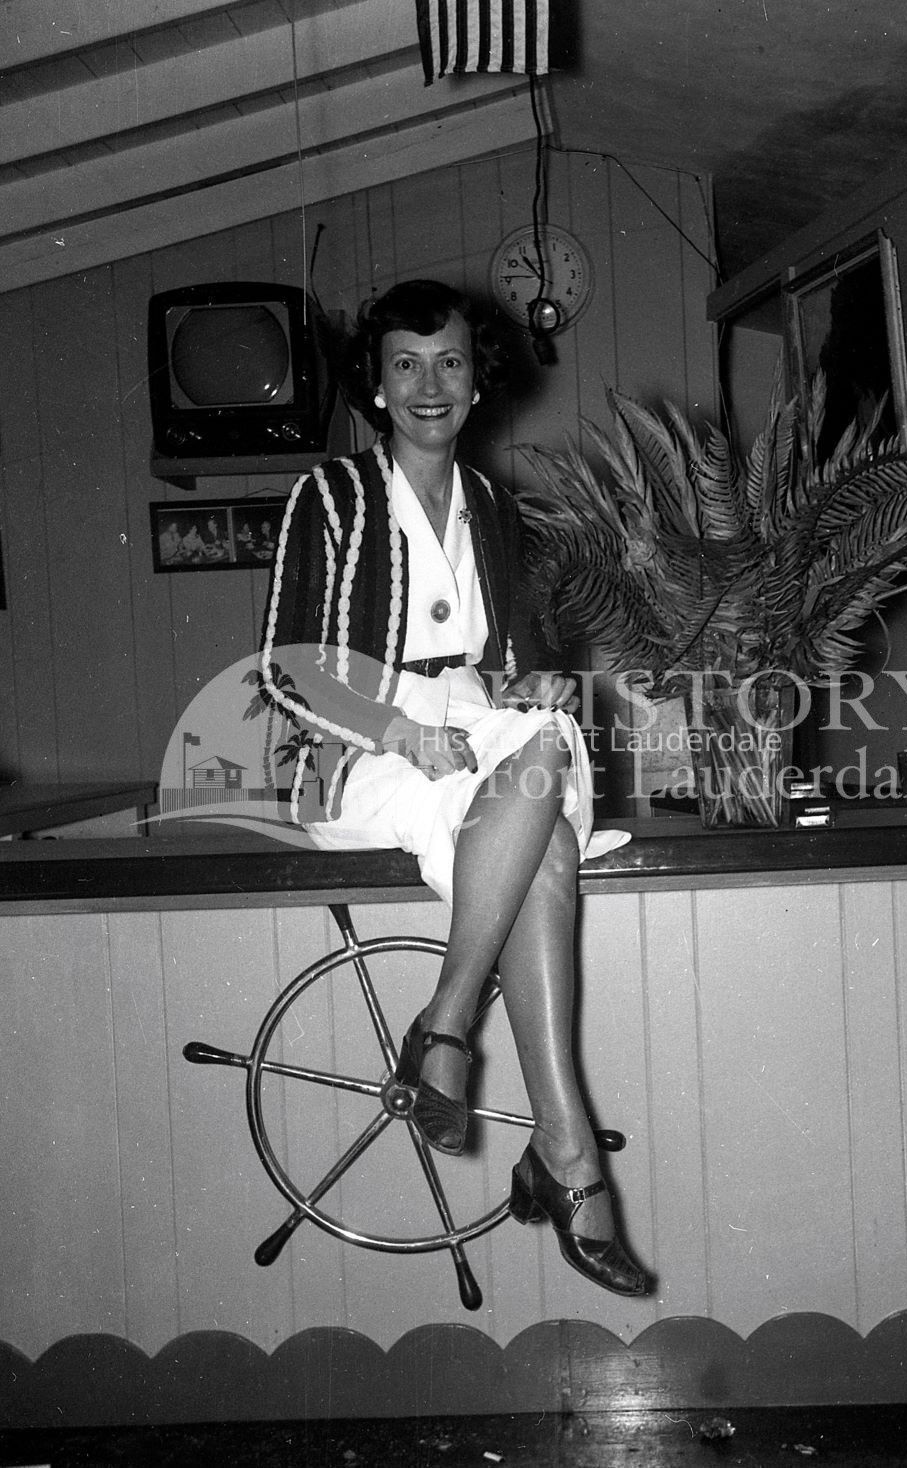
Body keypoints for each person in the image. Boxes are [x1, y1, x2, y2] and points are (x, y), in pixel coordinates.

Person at [260, 279, 648, 1297]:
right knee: (542, 825)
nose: (428, 385)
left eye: (449, 363)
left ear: (478, 382)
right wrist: (398, 730)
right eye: (405, 364)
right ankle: (560, 1148)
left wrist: (536, 681)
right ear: (376, 386)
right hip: (356, 749)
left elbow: (510, 661)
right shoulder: (331, 496)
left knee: (543, 753)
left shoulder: (493, 506)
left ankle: (455, 1035)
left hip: (476, 735)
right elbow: (283, 669)